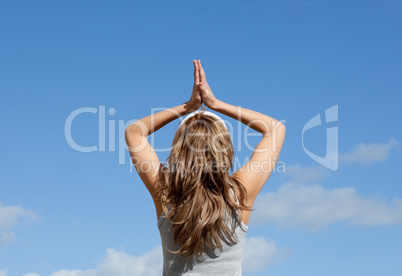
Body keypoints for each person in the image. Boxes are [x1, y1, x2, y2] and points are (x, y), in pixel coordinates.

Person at [125, 60, 286, 275]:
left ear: (178, 151)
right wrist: (216, 104)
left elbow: (133, 132)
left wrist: (187, 107)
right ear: (225, 151)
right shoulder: (239, 194)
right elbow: (275, 129)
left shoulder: (166, 194)